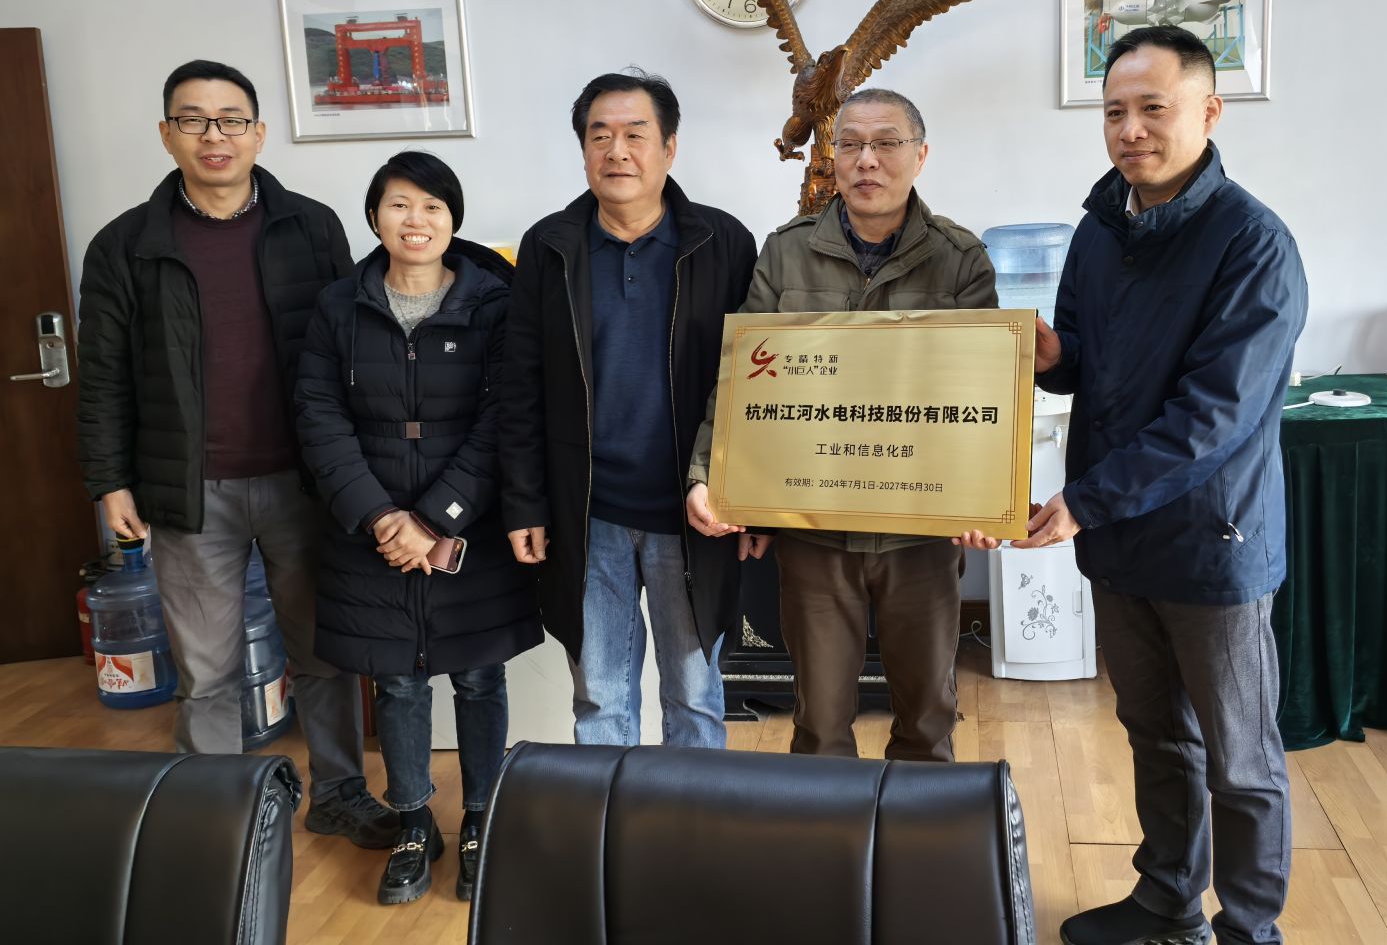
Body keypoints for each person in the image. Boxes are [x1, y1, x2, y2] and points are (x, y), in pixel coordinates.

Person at [1028, 26, 1307, 945]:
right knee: (1155, 733)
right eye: (1115, 111)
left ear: (1209, 111)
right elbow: (1091, 363)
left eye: (1154, 108)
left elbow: (1211, 418)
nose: (1131, 130)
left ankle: (1250, 932)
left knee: (1240, 759)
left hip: (1210, 542)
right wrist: (1054, 357)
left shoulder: (1253, 244)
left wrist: (1085, 501)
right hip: (1120, 539)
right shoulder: (1100, 228)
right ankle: (1167, 902)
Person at [75, 59, 394, 847]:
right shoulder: (125, 245)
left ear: (258, 133)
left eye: (231, 120)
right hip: (188, 489)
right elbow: (104, 374)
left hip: (305, 482)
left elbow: (351, 350)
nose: (213, 135)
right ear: (166, 134)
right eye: (193, 119)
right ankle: (217, 818)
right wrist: (109, 480)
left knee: (323, 654)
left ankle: (340, 795)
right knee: (207, 670)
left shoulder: (311, 226)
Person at [686, 88, 997, 762]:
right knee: (820, 723)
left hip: (919, 530)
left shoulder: (959, 257)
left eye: (886, 143)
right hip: (815, 529)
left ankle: (916, 831)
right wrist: (718, 481)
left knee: (928, 719)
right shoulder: (787, 251)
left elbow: (982, 394)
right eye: (850, 144)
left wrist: (985, 501)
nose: (866, 160)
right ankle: (828, 833)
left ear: (920, 155)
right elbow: (743, 379)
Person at [295, 151, 542, 904]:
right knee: (397, 680)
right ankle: (412, 822)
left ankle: (479, 818)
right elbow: (318, 417)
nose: (416, 220)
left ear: (453, 220)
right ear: (374, 217)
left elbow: (505, 418)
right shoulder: (339, 306)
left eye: (433, 206)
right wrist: (382, 518)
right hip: (370, 528)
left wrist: (435, 519)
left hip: (467, 524)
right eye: (400, 204)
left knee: (478, 675)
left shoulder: (495, 303)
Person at [500, 70, 756, 748]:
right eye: (600, 135)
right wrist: (524, 502)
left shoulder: (723, 242)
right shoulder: (550, 246)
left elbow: (754, 384)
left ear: (669, 148)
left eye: (635, 134)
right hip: (588, 514)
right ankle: (610, 818)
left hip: (694, 514)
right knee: (600, 698)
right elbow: (520, 384)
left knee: (695, 696)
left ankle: (690, 818)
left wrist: (753, 504)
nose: (617, 151)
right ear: (583, 150)